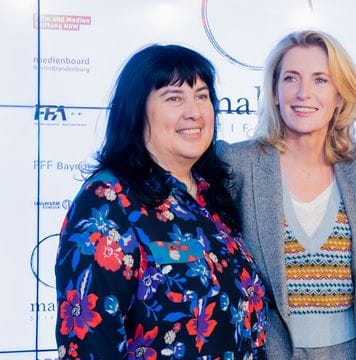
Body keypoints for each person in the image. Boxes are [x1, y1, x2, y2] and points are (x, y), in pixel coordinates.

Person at [55, 44, 267, 359]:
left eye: (201, 95)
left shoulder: (213, 197)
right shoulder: (108, 202)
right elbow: (88, 343)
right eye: (174, 98)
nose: (194, 111)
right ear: (136, 110)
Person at [217, 30, 356, 359]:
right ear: (274, 91)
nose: (304, 93)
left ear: (339, 95)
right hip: (270, 350)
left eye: (321, 80)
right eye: (291, 78)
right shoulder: (237, 164)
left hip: (352, 352)